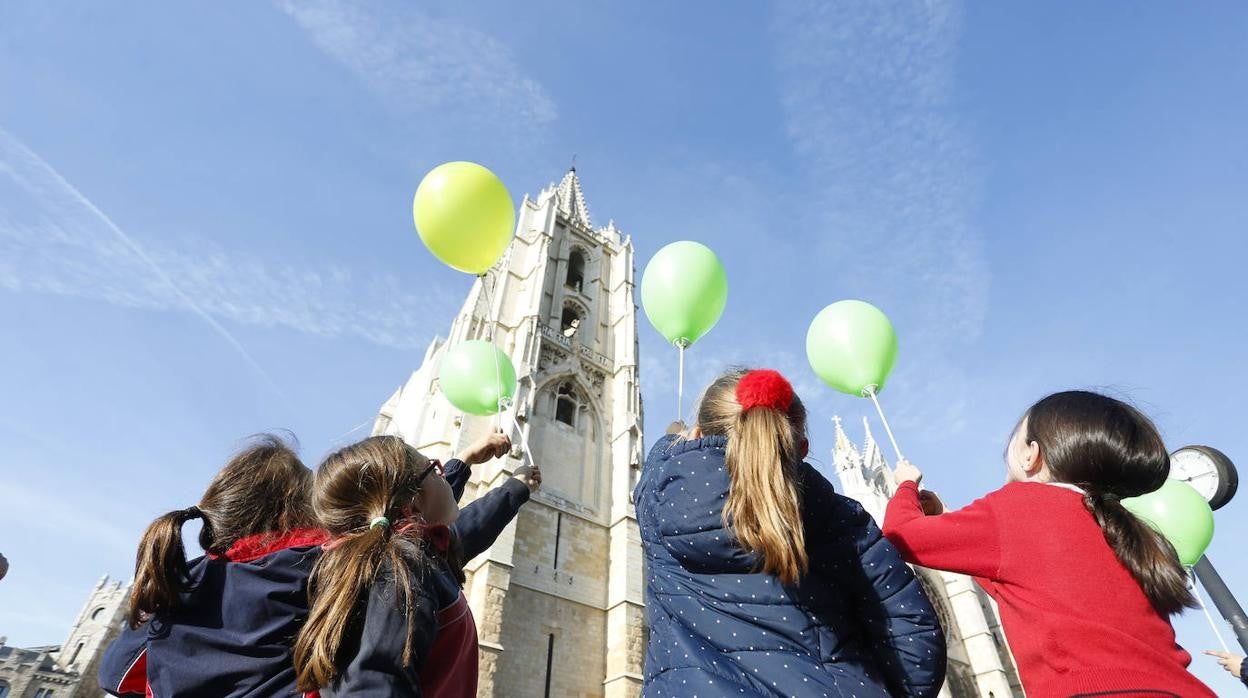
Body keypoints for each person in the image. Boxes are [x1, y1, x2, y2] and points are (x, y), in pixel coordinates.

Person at [99, 431, 510, 697]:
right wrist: (473, 475)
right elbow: (407, 534)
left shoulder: (186, 580)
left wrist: (457, 468)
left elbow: (115, 674)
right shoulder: (321, 563)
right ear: (301, 509)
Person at [634, 368, 946, 698]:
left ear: (698, 435)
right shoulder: (841, 519)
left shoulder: (657, 501)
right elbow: (915, 645)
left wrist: (675, 440)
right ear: (801, 448)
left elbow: (658, 461)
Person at [883, 390, 1215, 697]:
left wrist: (906, 486)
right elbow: (1019, 581)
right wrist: (946, 515)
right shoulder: (1123, 529)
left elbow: (900, 533)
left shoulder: (1017, 505)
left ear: (1032, 455)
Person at [293, 434, 540, 696]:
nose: (444, 474)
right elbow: (373, 686)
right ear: (414, 502)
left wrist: (476, 467)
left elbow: (461, 529)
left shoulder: (403, 555)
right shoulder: (398, 571)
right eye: (435, 469)